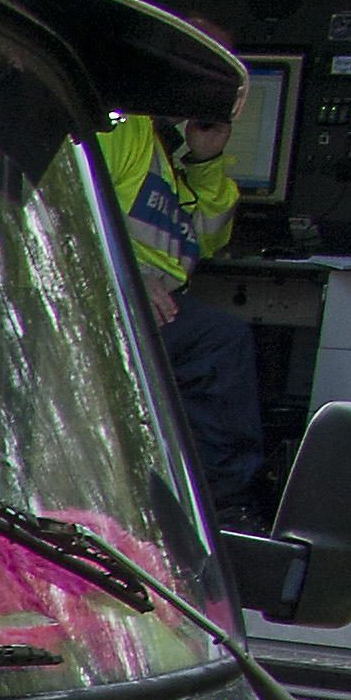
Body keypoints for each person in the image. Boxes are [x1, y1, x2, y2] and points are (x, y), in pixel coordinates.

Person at [101, 93, 264, 525]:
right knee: (221, 344)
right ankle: (222, 511)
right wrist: (124, 275)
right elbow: (62, 206)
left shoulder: (167, 147)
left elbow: (208, 238)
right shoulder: (120, 128)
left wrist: (206, 159)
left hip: (152, 296)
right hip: (109, 295)